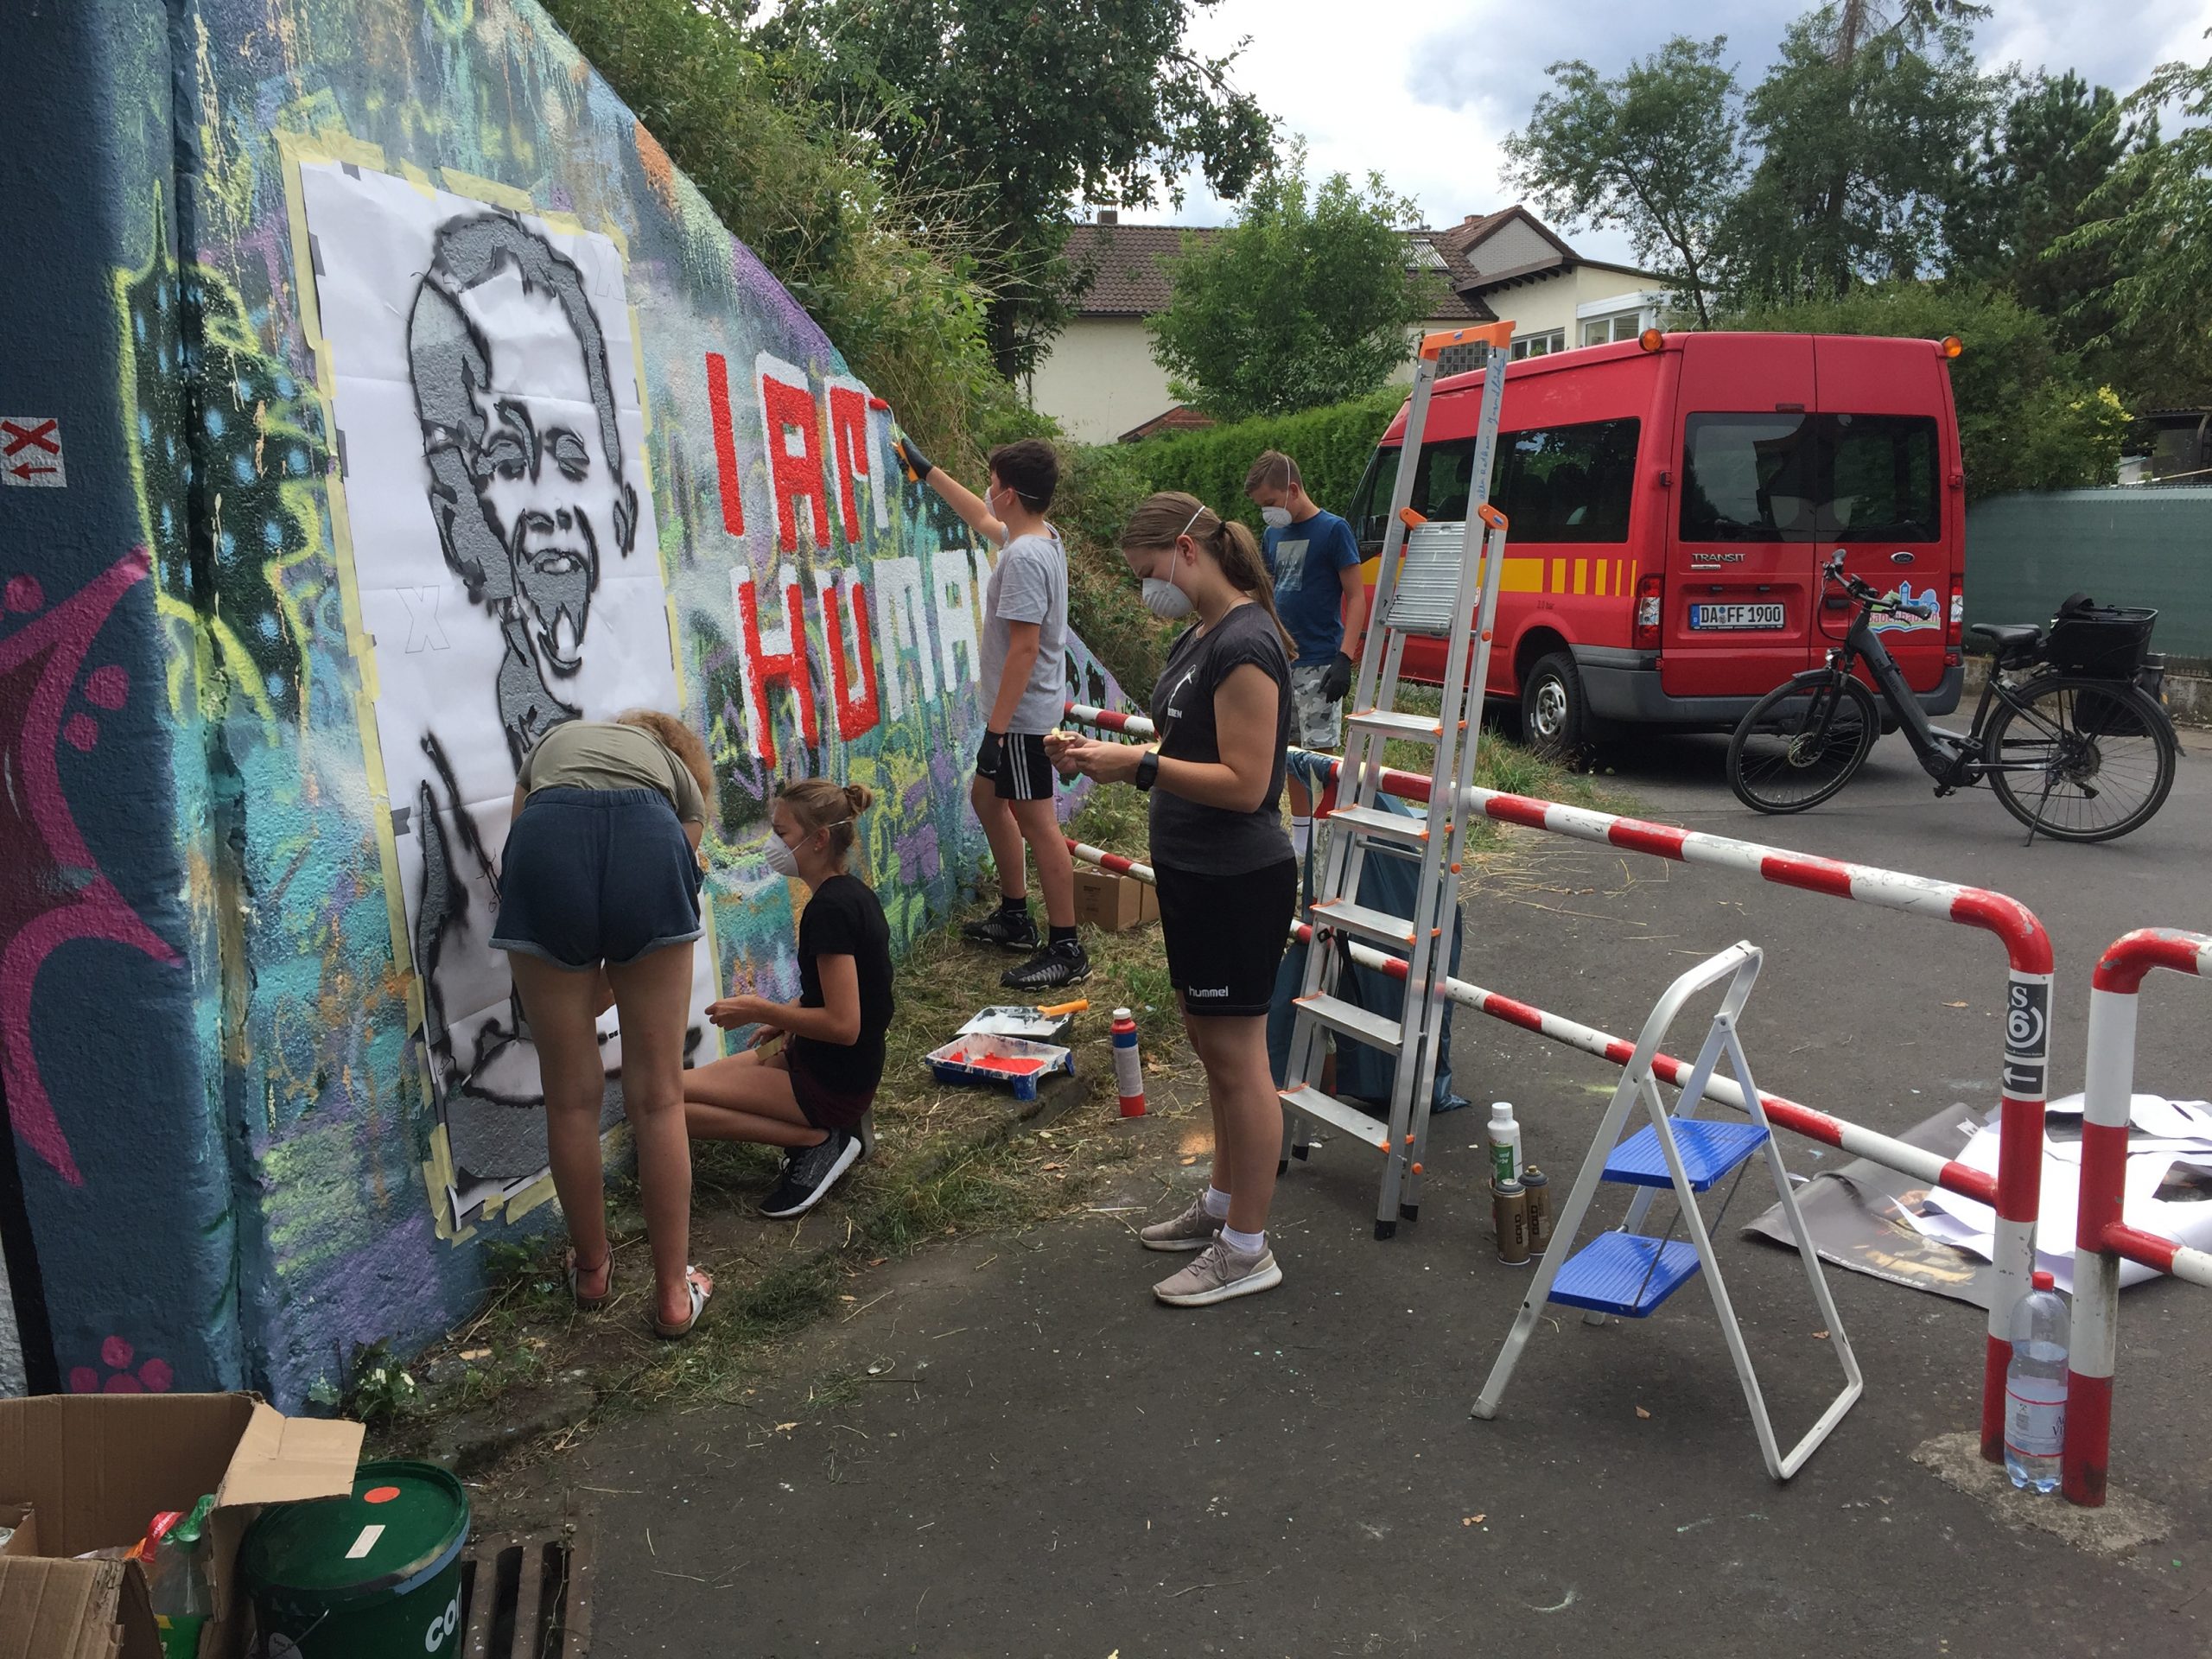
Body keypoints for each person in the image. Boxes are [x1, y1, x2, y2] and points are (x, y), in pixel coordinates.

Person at [1046, 493, 1298, 1307]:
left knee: (1240, 1062)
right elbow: (1189, 745)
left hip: (1236, 880)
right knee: (1208, 1045)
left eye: (1148, 570)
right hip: (1195, 874)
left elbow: (1247, 783)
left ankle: (1248, 1249)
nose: (1145, 588)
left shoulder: (1247, 641)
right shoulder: (1200, 636)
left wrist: (1137, 766)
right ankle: (1223, 1207)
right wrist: (1106, 753)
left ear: (1188, 549)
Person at [491, 709, 714, 1338]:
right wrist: (616, 976)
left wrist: (578, 975)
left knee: (569, 1097)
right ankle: (673, 1296)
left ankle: (591, 1270)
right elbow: (681, 875)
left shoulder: (555, 744)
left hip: (546, 839)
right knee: (660, 1097)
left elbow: (520, 841)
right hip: (650, 840)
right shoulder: (678, 781)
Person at [895, 434, 1088, 994]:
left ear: (1011, 493)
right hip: (1021, 713)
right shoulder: (1037, 536)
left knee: (1039, 826)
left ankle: (1066, 947)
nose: (988, 488)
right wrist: (928, 470)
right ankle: (1014, 915)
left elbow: (1025, 648)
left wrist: (997, 733)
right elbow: (980, 518)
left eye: (994, 481)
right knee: (987, 799)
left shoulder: (1025, 557)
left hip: (1023, 720)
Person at [683, 781, 894, 1219]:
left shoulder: (829, 910)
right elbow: (844, 992)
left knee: (668, 1106)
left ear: (819, 840)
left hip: (831, 1083)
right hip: (819, 1062)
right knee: (669, 1095)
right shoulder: (850, 893)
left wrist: (758, 1009)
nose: (772, 845)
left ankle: (819, 1141)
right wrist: (788, 1019)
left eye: (782, 834)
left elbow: (844, 1025)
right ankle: (825, 1136)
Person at [1245, 450, 1367, 863]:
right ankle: (1302, 841)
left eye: (1269, 502)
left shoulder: (1333, 530)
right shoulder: (1272, 535)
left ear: (1292, 490)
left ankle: (1329, 839)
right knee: (1290, 752)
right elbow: (1266, 590)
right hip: (1282, 660)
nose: (1266, 512)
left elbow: (1356, 596)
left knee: (1321, 757)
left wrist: (1344, 658)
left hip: (1320, 661)